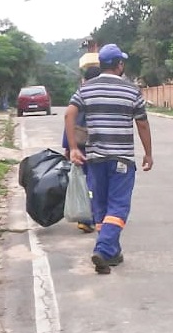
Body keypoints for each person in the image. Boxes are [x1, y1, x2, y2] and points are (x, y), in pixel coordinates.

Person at [65, 43, 154, 275]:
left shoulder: (87, 89)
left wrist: (74, 147)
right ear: (120, 65)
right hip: (122, 158)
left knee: (102, 207)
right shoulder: (131, 90)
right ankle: (103, 249)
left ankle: (112, 252)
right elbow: (142, 123)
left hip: (95, 160)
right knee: (119, 206)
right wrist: (148, 152)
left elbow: (69, 113)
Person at [62, 66, 102, 233]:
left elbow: (69, 122)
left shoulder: (79, 95)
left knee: (83, 181)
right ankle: (91, 217)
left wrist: (68, 147)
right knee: (94, 183)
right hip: (96, 146)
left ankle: (84, 216)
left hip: (78, 146)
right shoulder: (98, 96)